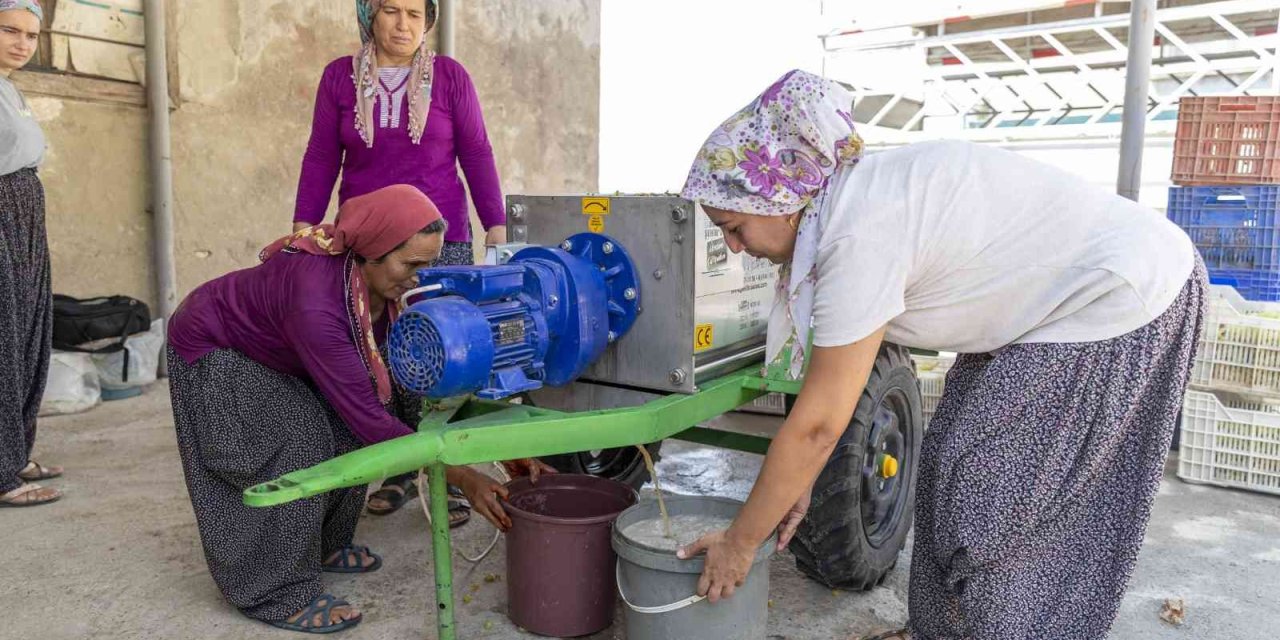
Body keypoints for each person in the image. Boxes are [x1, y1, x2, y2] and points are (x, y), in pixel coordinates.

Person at [674, 70, 1204, 640]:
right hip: (1044, 313)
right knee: (949, 471)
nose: (733, 246)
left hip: (1119, 298)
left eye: (733, 227)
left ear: (778, 197)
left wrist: (740, 543)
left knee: (990, 507)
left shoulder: (856, 233)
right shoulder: (845, 205)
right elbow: (827, 396)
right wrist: (794, 483)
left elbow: (819, 425)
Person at [168, 185, 545, 634]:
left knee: (344, 435)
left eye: (428, 265)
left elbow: (411, 388)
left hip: (276, 348)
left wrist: (499, 449)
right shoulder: (317, 301)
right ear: (373, 252)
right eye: (412, 265)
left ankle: (326, 544)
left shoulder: (376, 287)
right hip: (215, 345)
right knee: (297, 444)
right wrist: (463, 473)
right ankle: (273, 591)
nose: (419, 278)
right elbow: (369, 418)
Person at [294, 0, 507, 521]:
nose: (404, 24)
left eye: (416, 13)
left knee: (444, 356)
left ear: (428, 20)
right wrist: (304, 224)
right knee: (380, 356)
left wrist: (496, 226)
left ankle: (449, 474)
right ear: (371, 15)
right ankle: (400, 467)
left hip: (440, 242)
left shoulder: (450, 78)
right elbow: (322, 154)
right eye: (392, 10)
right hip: (367, 245)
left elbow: (476, 153)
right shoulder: (339, 79)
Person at [0, 0, 63, 508]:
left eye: (31, 35)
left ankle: (15, 450)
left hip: (23, 214)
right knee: (4, 337)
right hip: (2, 216)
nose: (22, 43)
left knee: (27, 333)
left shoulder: (11, 90)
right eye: (9, 30)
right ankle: (1, 474)